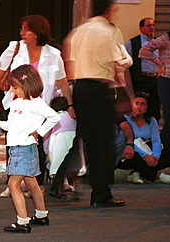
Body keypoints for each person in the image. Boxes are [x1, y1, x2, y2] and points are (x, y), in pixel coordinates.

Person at [0, 15, 74, 197]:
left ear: (37, 32)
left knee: (35, 146)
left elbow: (63, 81)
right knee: (13, 144)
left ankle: (36, 184)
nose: (21, 32)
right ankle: (13, 182)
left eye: (25, 29)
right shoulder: (15, 48)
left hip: (39, 108)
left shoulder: (53, 54)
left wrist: (70, 104)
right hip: (16, 106)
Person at [0, 65, 60, 233]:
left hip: (24, 148)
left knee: (13, 184)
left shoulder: (36, 103)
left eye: (15, 87)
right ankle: (41, 215)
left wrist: (39, 132)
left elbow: (54, 117)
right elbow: (10, 125)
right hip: (18, 147)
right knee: (31, 182)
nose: (12, 90)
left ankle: (23, 222)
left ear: (26, 86)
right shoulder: (16, 104)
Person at [63, 0, 130, 207]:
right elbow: (123, 60)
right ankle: (100, 192)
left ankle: (58, 182)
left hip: (80, 88)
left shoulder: (78, 31)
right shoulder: (109, 31)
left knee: (82, 138)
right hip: (98, 88)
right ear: (109, 11)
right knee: (102, 143)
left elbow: (68, 61)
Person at [139, 10, 170, 167]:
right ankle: (167, 154)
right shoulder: (166, 38)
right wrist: (160, 64)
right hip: (169, 81)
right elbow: (144, 50)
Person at [117, 92, 170, 184]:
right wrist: (145, 156)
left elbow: (156, 140)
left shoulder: (151, 120)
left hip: (146, 148)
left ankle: (137, 172)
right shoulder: (125, 120)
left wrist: (155, 157)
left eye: (143, 104)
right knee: (134, 156)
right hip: (131, 150)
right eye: (137, 103)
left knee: (169, 155)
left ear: (147, 107)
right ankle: (156, 175)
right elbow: (125, 141)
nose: (139, 107)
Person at [125, 18, 161, 122]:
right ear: (141, 28)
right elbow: (126, 62)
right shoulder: (132, 42)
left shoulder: (157, 42)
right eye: (149, 25)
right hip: (141, 79)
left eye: (153, 25)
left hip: (155, 79)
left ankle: (153, 133)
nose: (152, 28)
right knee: (139, 108)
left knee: (155, 108)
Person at [45, 96, 76, 193]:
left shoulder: (54, 117)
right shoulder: (71, 117)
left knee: (58, 161)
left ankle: (60, 185)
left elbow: (47, 134)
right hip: (72, 138)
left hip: (58, 139)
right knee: (71, 162)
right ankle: (71, 184)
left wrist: (46, 149)